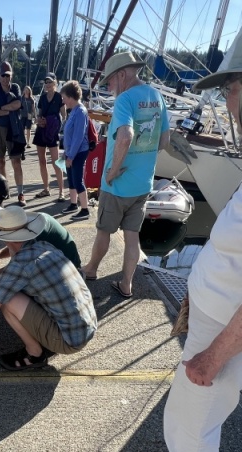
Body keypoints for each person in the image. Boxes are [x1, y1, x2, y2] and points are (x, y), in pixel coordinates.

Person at [135, 65, 242, 452]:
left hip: (226, 335)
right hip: (211, 315)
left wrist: (216, 354)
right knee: (186, 403)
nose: (227, 103)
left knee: (200, 408)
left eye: (231, 89)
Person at [81, 52, 170, 297]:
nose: (109, 87)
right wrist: (144, 155)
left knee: (104, 231)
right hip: (143, 183)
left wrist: (111, 172)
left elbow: (125, 136)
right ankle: (127, 284)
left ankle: (90, 269)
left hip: (118, 185)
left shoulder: (125, 99)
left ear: (122, 74)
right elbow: (164, 140)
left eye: (110, 81)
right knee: (132, 237)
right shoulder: (157, 96)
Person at [0, 206, 97, 371]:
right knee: (14, 292)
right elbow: (14, 272)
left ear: (5, 238)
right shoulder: (43, 246)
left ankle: (34, 354)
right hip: (87, 326)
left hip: (70, 341)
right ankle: (45, 338)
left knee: (8, 300)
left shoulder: (20, 264)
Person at [0, 205, 83, 278]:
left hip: (69, 273)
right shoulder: (30, 224)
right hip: (67, 264)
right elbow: (15, 244)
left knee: (14, 295)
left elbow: (16, 269)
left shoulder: (35, 237)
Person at [0, 61, 27, 207]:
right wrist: (7, 110)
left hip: (13, 129)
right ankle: (3, 191)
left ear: (11, 75)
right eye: (3, 75)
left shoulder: (15, 87)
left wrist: (1, 109)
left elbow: (18, 104)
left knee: (16, 161)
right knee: (0, 161)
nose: (6, 78)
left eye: (8, 75)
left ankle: (21, 194)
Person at [59, 80, 91, 220]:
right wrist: (66, 153)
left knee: (78, 180)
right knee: (71, 178)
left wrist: (70, 156)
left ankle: (85, 209)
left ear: (71, 97)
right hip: (71, 151)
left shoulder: (80, 112)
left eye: (64, 97)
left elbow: (78, 137)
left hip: (78, 152)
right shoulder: (73, 111)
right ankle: (73, 204)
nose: (63, 100)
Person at [33, 72, 66, 202]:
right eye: (46, 82)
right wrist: (39, 120)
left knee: (56, 162)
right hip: (41, 131)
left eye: (50, 82)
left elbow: (64, 116)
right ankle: (46, 189)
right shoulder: (42, 98)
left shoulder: (59, 97)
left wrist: (54, 124)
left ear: (55, 83)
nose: (47, 84)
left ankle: (61, 191)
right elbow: (39, 114)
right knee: (42, 161)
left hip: (53, 133)